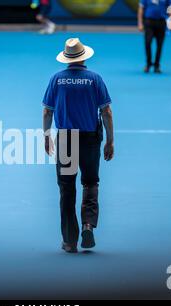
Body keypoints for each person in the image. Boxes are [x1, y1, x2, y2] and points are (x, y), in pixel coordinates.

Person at [42, 38, 114, 253]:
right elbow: (106, 112)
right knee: (90, 183)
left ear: (66, 58)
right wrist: (110, 140)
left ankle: (69, 240)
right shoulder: (95, 79)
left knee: (66, 189)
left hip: (66, 139)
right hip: (91, 138)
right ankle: (88, 224)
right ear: (83, 56)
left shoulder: (56, 79)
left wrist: (47, 135)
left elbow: (47, 111)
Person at [138, 0, 171, 73]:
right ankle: (148, 64)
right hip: (149, 22)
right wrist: (140, 23)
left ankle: (157, 65)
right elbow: (141, 9)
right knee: (148, 42)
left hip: (161, 22)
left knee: (160, 45)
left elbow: (170, 9)